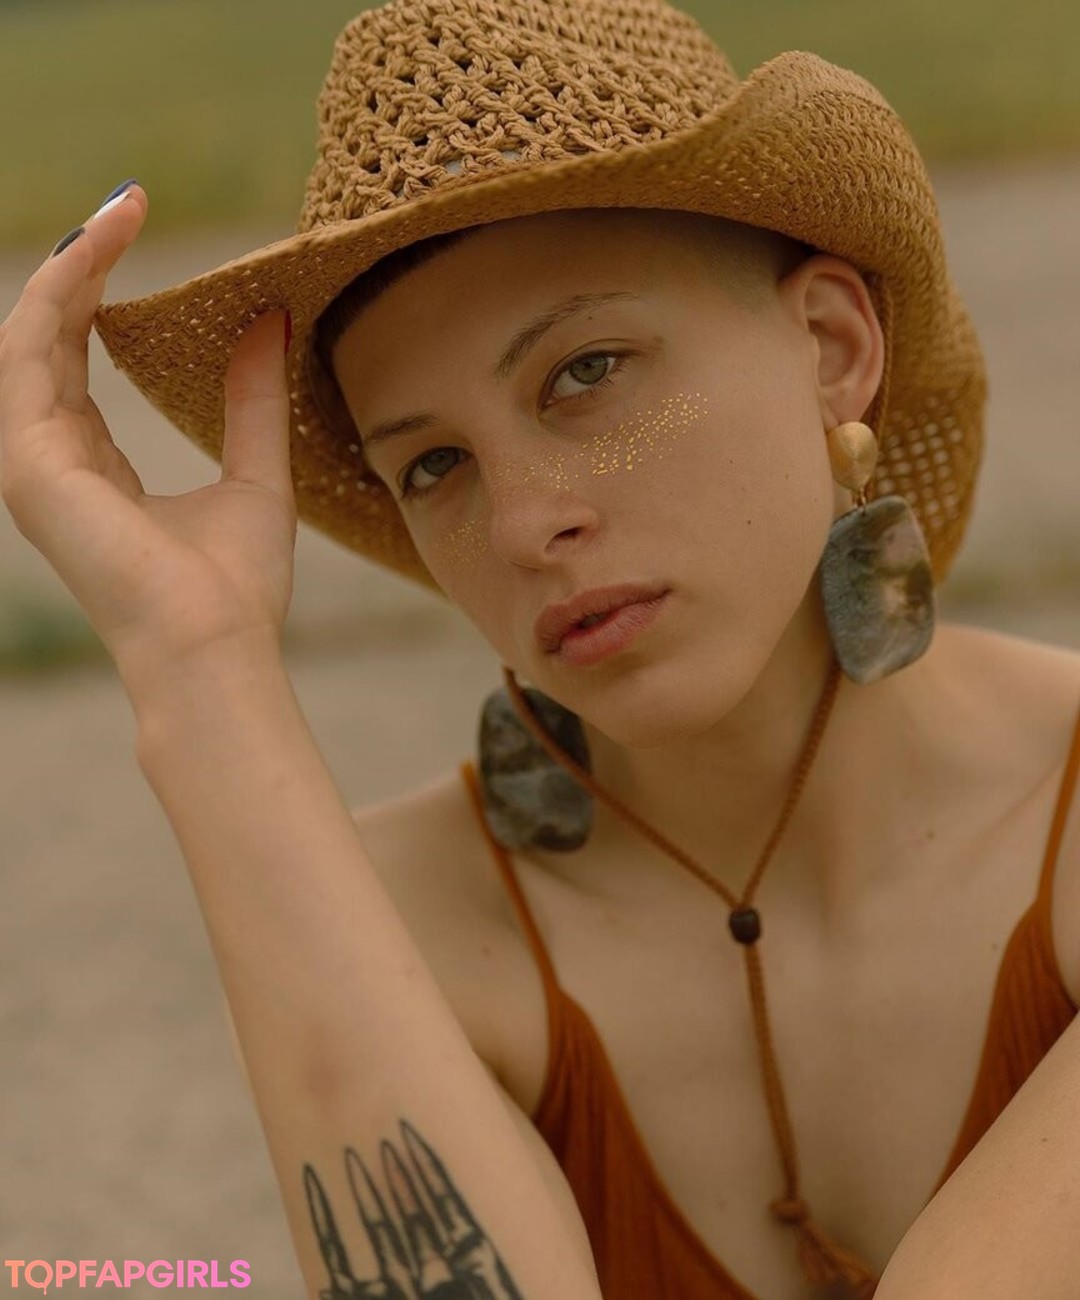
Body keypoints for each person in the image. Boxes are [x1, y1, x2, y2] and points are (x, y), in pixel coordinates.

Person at [1, 0, 1078, 1296]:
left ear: (831, 349)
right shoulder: (397, 927)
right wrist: (198, 666)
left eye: (586, 372)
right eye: (433, 464)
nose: (521, 526)